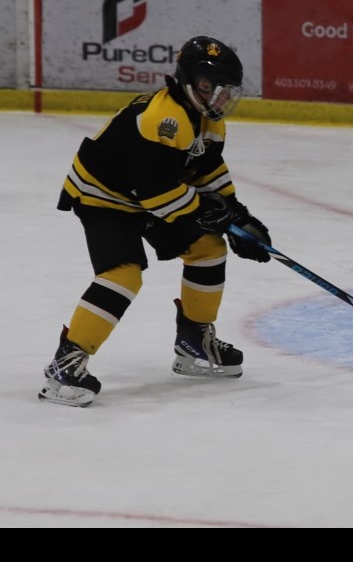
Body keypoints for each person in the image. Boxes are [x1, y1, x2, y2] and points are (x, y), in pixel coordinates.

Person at [39, 36, 272, 408]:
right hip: (104, 198)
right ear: (190, 81)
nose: (220, 98)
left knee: (208, 249)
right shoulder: (161, 120)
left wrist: (238, 217)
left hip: (143, 198)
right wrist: (209, 213)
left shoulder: (209, 123)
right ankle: (65, 364)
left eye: (226, 90)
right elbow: (157, 194)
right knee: (123, 275)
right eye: (212, 88)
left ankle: (194, 342)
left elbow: (208, 172)